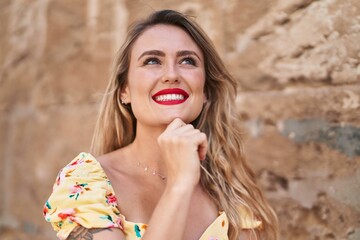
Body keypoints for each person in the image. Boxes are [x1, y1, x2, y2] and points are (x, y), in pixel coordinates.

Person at [43, 9, 278, 240]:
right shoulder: (86, 184)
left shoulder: (229, 188)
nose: (172, 75)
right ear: (125, 91)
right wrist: (179, 185)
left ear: (205, 91)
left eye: (187, 61)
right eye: (152, 61)